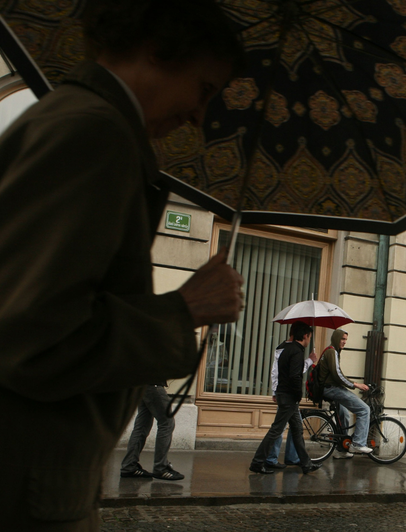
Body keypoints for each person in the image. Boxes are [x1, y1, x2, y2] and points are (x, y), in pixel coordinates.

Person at [0, 0, 246, 529]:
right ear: (157, 50)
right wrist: (185, 308)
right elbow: (34, 339)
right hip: (27, 488)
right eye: (204, 89)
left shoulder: (76, 120)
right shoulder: (96, 133)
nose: (200, 116)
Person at [250, 322, 321, 475]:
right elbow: (295, 376)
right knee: (276, 430)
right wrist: (298, 395)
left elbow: (281, 372)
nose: (309, 339)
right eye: (309, 336)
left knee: (297, 430)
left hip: (285, 395)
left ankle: (306, 463)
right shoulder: (296, 351)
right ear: (305, 336)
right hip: (289, 397)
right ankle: (257, 462)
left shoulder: (286, 349)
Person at [264, 337, 318, 469]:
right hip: (287, 395)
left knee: (295, 427)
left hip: (288, 394)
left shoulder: (291, 349)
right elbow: (279, 371)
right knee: (279, 428)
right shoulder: (287, 349)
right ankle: (270, 458)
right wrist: (275, 391)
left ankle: (292, 457)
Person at [318, 329, 373, 455]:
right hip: (331, 389)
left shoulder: (333, 351)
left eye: (346, 340)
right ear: (337, 338)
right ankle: (358, 444)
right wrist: (355, 385)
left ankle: (342, 449)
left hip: (329, 388)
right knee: (364, 410)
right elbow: (338, 375)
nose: (344, 342)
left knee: (344, 415)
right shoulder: (332, 352)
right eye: (343, 339)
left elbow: (337, 375)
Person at [120, 382, 184, 481]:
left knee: (141, 426)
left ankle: (129, 466)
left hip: (142, 385)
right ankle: (161, 468)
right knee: (166, 423)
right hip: (154, 384)